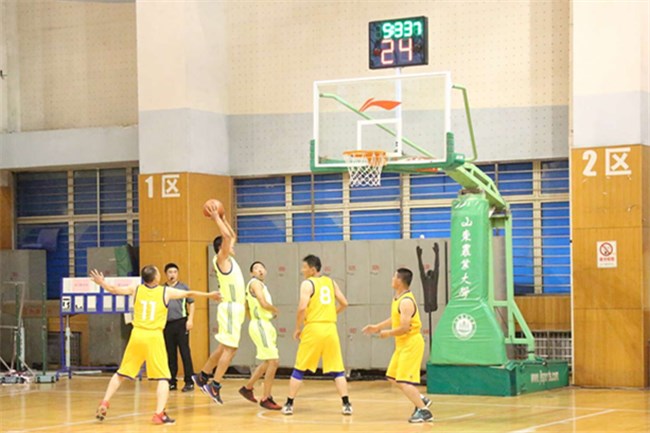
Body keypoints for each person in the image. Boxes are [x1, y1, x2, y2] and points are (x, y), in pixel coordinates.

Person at [90, 266, 221, 425]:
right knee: (163, 378)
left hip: (137, 334)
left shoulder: (136, 289)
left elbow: (114, 289)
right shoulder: (165, 291)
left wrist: (101, 282)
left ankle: (105, 402)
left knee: (121, 373)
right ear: (156, 277)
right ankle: (159, 414)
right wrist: (209, 295)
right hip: (154, 336)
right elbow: (189, 294)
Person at [282, 254, 352, 416]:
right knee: (338, 370)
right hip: (330, 329)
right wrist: (331, 314)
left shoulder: (307, 283)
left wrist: (297, 327)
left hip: (313, 328)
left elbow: (302, 308)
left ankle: (289, 404)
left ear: (312, 270)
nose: (302, 270)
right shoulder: (331, 282)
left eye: (304, 267)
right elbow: (345, 303)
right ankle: (346, 404)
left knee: (299, 368)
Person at [362, 268, 434, 423]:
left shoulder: (406, 301)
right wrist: (377, 327)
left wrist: (387, 333)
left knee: (403, 381)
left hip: (411, 343)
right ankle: (420, 398)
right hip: (402, 344)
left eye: (394, 277)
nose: (392, 279)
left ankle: (424, 411)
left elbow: (404, 328)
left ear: (400, 281)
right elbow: (395, 318)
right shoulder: (398, 298)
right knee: (392, 377)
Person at [192, 208, 246, 404]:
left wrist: (224, 218)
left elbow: (231, 235)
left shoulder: (228, 259)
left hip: (234, 309)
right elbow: (227, 237)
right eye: (228, 244)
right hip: (230, 308)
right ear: (222, 247)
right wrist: (216, 218)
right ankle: (214, 385)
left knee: (224, 347)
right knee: (230, 350)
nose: (233, 244)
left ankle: (202, 376)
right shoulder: (221, 260)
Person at [238, 261, 282, 410]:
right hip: (261, 324)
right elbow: (263, 303)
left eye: (262, 267)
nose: (260, 270)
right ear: (252, 273)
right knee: (274, 361)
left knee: (268, 362)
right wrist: (274, 309)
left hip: (263, 324)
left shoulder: (260, 285)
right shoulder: (255, 283)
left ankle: (248, 388)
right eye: (256, 268)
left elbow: (246, 307)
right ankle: (266, 398)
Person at [163, 262, 195, 392]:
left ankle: (189, 381)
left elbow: (191, 303)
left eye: (175, 272)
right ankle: (172, 381)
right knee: (170, 353)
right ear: (166, 274)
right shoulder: (162, 289)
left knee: (185, 352)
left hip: (181, 323)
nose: (172, 274)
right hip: (167, 324)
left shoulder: (183, 287)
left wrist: (190, 319)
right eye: (170, 272)